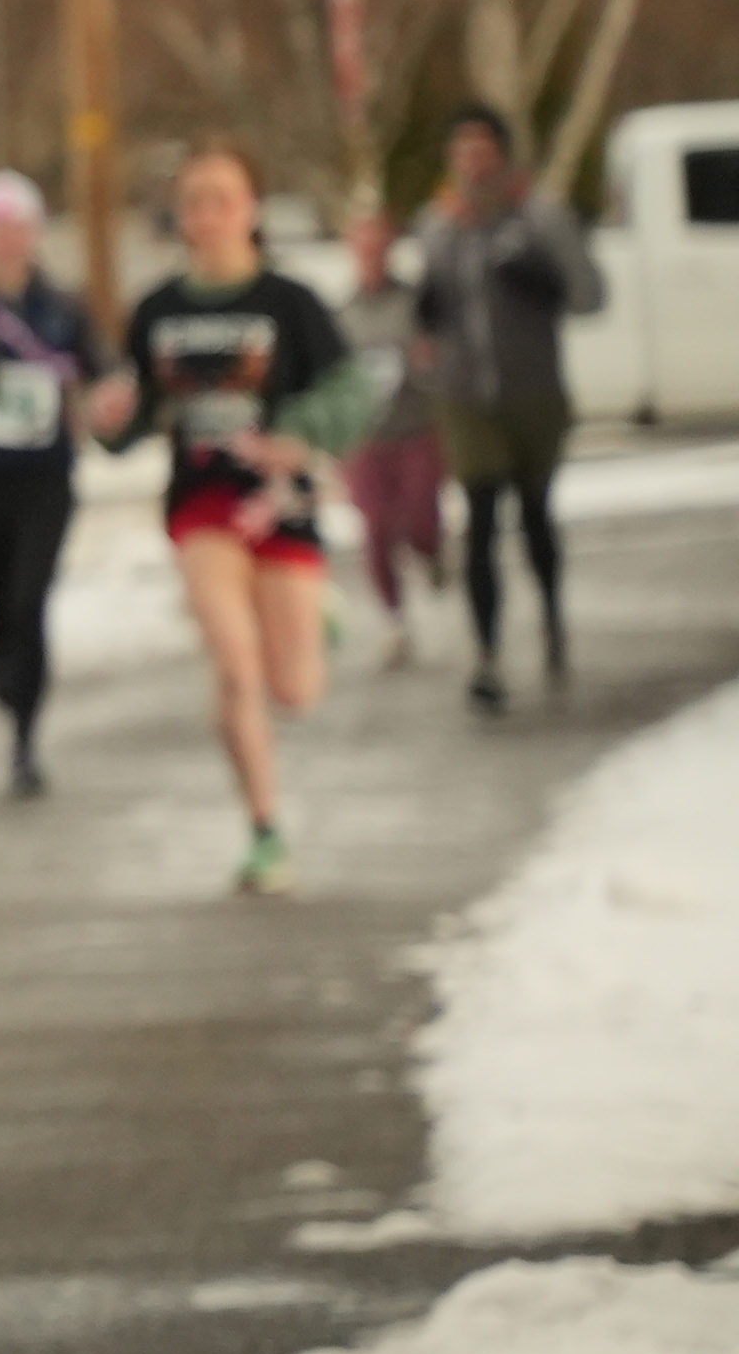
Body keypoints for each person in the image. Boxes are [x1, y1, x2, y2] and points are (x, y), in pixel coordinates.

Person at [110, 138, 357, 894]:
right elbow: (127, 418)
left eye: (223, 199)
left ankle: (318, 616)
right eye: (195, 202)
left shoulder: (290, 303)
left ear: (251, 210)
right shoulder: (158, 310)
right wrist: (107, 416)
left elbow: (354, 394)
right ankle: (264, 830)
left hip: (278, 504)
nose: (209, 215)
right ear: (181, 219)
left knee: (297, 690)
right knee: (234, 662)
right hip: (203, 505)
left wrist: (303, 433)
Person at [401, 102, 609, 712]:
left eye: (483, 151)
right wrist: (423, 328)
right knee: (482, 520)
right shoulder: (437, 226)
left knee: (536, 514)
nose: (473, 164)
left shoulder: (539, 216)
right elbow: (427, 309)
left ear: (502, 156)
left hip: (532, 390)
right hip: (465, 397)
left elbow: (590, 296)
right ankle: (486, 655)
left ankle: (551, 619)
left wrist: (533, 269)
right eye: (462, 153)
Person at [0, 170, 118, 789]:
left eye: (18, 228)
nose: (8, 241)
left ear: (36, 233)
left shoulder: (63, 305)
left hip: (45, 475)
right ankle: (1, 664)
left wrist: (101, 400)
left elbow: (100, 367)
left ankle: (25, 737)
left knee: (31, 597)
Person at [334, 207, 448, 671]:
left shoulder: (416, 305)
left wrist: (428, 362)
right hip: (365, 436)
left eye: (379, 248)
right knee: (377, 525)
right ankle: (395, 621)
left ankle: (433, 551)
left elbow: (444, 356)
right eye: (363, 248)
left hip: (417, 424)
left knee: (420, 515)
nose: (371, 257)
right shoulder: (342, 313)